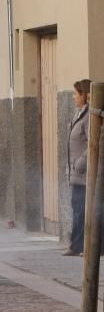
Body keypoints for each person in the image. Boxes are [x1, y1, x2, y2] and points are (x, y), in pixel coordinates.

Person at [65, 79, 92, 256]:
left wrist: (79, 164)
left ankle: (85, 247)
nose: (74, 97)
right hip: (76, 172)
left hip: (84, 172)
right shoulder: (78, 114)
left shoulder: (90, 115)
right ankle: (76, 245)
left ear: (85, 95)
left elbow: (93, 144)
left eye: (76, 93)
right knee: (77, 208)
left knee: (83, 210)